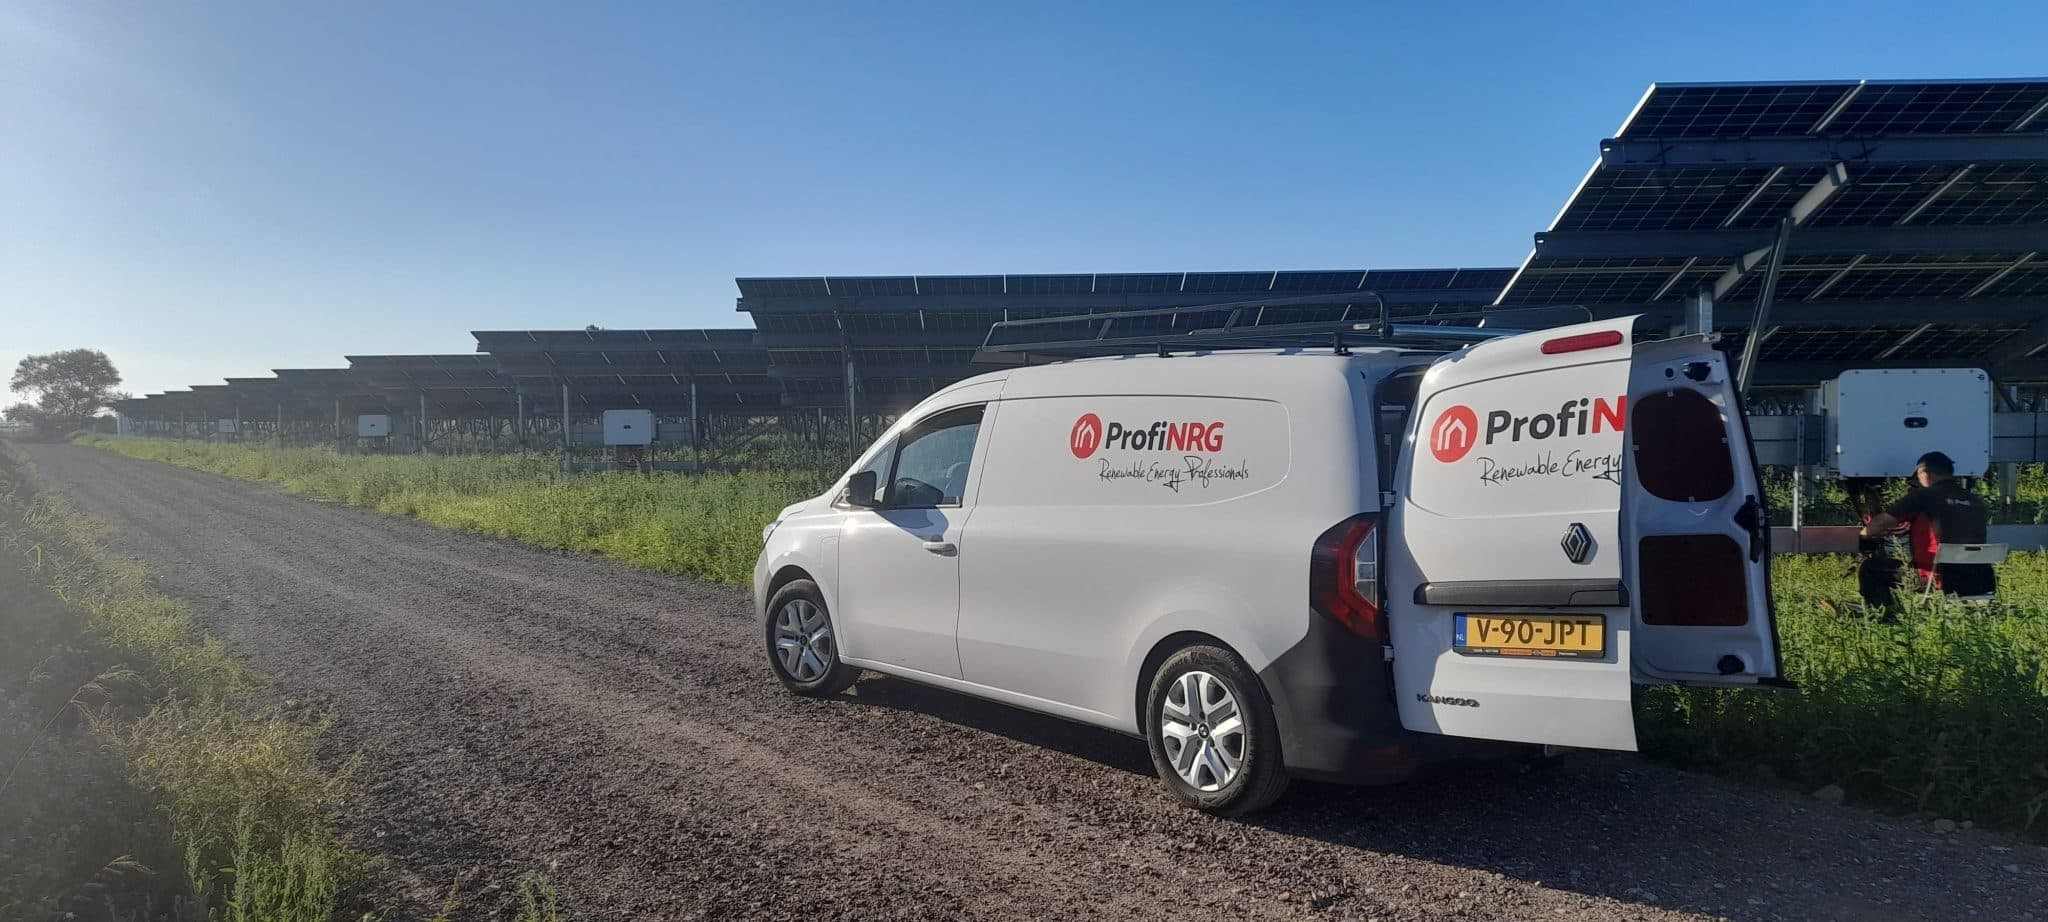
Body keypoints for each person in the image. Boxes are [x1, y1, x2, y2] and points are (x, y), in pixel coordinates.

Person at [1858, 451, 1994, 597]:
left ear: (1923, 472)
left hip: (1935, 577)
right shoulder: (1975, 501)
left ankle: (1887, 616)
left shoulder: (1923, 497)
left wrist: (1863, 536)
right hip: (1977, 580)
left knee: (1871, 568)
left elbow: (1878, 525)